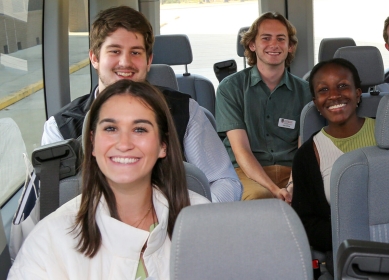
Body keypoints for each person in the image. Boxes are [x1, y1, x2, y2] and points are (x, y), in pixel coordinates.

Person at [9, 80, 211, 279]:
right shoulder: (49, 240)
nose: (124, 144)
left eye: (140, 129)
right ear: (93, 143)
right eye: (110, 129)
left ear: (162, 145)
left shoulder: (205, 223)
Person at [41, 6, 242, 202]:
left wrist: (186, 220)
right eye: (114, 51)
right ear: (94, 57)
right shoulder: (60, 128)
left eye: (135, 52)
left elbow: (225, 182)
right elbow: (52, 199)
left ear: (149, 60)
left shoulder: (184, 112)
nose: (125, 62)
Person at [215, 12, 312, 202]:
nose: (274, 45)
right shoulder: (230, 88)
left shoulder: (306, 91)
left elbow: (303, 150)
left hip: (292, 170)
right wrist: (274, 189)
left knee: (313, 199)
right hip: (247, 171)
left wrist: (292, 185)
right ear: (252, 45)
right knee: (259, 198)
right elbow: (241, 149)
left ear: (290, 47)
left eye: (281, 39)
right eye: (266, 38)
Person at [291, 58, 376, 255]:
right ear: (316, 104)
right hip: (350, 253)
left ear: (357, 94)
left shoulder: (388, 133)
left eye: (342, 86)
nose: (334, 95)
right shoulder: (307, 156)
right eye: (323, 90)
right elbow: (307, 222)